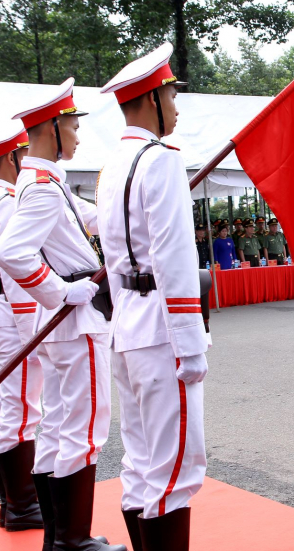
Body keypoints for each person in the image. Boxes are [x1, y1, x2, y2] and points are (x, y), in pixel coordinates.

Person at [0, 78, 125, 551]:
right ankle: (74, 539)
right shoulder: (43, 187)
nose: (77, 133)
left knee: (57, 424)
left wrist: (126, 208)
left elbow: (89, 217)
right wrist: (60, 291)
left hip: (62, 326)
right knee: (84, 427)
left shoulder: (45, 181)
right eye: (72, 124)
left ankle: (58, 537)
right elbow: (14, 253)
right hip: (74, 322)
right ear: (52, 126)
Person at [98, 42, 211, 551]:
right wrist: (191, 340)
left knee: (142, 463)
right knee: (173, 471)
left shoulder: (113, 164)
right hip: (162, 328)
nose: (177, 105)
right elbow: (174, 256)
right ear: (150, 100)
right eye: (170, 93)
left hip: (127, 326)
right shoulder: (161, 159)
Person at [0, 126, 44, 532]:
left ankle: (11, 501)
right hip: (14, 314)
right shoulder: (8, 202)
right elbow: (15, 270)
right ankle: (22, 504)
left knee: (3, 411)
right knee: (20, 411)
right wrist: (29, 329)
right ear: (12, 159)